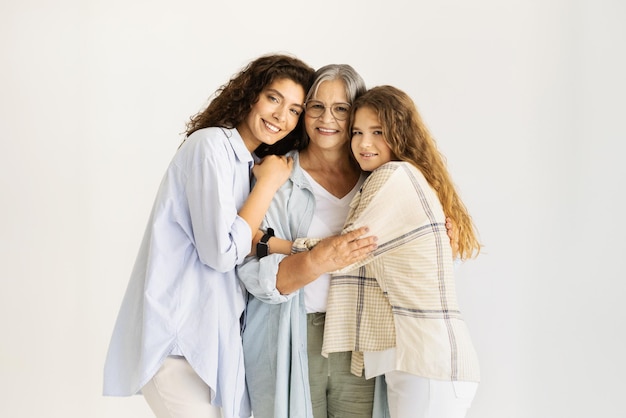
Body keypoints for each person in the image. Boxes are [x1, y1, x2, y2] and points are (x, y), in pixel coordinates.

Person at [102, 53, 315, 418]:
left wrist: (299, 247)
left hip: (213, 346)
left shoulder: (245, 162)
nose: (281, 116)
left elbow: (242, 234)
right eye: (274, 98)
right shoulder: (209, 146)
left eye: (295, 110)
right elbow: (220, 251)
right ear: (250, 95)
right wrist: (267, 185)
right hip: (180, 343)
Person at [317, 85, 482, 418]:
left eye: (377, 132)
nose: (364, 143)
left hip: (428, 365)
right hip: (428, 364)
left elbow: (345, 251)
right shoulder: (409, 176)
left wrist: (271, 243)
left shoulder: (393, 176)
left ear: (400, 133)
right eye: (357, 132)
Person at [237, 64, 382, 418]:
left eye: (341, 108)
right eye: (316, 106)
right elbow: (251, 268)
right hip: (291, 333)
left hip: (358, 337)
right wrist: (318, 260)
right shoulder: (278, 176)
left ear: (356, 113)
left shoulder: (378, 179)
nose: (326, 118)